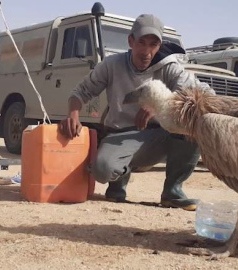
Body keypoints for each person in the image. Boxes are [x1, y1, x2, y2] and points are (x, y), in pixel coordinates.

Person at [59, 14, 213, 211]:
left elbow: (202, 93)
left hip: (159, 136)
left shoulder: (169, 67)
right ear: (130, 41)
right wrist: (73, 114)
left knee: (194, 123)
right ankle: (118, 181)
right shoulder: (112, 64)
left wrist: (158, 104)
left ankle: (172, 192)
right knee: (103, 170)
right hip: (120, 134)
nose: (146, 52)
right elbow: (80, 92)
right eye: (142, 42)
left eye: (153, 44)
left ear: (159, 46)